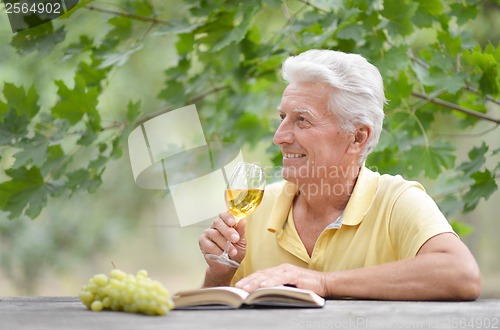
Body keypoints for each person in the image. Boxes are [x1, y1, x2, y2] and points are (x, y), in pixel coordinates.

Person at [198, 49, 481, 300]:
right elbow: (211, 320)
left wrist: (323, 283)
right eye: (282, 118)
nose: (279, 136)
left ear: (357, 137)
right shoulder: (257, 209)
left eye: (302, 120)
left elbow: (461, 274)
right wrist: (219, 275)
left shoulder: (396, 202)